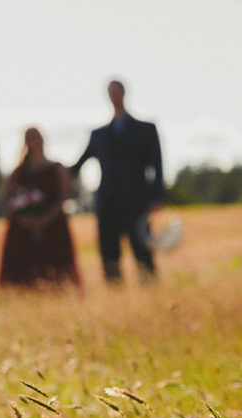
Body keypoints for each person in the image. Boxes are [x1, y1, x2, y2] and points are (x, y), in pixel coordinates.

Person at [71, 80, 164, 283]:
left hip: (136, 201)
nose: (114, 94)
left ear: (124, 92)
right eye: (110, 91)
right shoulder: (98, 134)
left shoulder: (145, 129)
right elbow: (76, 166)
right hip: (107, 203)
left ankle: (150, 288)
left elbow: (157, 165)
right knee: (109, 254)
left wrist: (156, 197)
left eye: (117, 90)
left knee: (142, 250)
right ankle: (115, 294)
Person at [0, 127, 82, 290]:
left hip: (53, 226)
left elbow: (65, 195)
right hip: (23, 229)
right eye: (30, 138)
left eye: (37, 137)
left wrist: (45, 219)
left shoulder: (56, 168)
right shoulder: (18, 172)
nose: (35, 141)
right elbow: (10, 199)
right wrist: (27, 220)